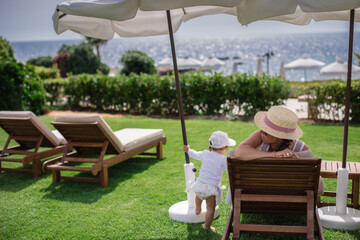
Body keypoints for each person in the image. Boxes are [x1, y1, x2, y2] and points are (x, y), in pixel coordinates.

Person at [225, 105, 323, 204]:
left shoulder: (263, 138)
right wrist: (274, 154)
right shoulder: (300, 148)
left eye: (266, 131)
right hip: (289, 198)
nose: (261, 132)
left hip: (256, 193)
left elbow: (239, 152)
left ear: (279, 136)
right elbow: (239, 152)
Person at [183, 131, 236, 231]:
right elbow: (229, 171)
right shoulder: (223, 159)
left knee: (198, 197)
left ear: (210, 145)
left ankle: (197, 209)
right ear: (225, 147)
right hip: (211, 189)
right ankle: (207, 227)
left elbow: (195, 155)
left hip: (199, 185)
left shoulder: (205, 153)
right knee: (210, 209)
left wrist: (188, 150)